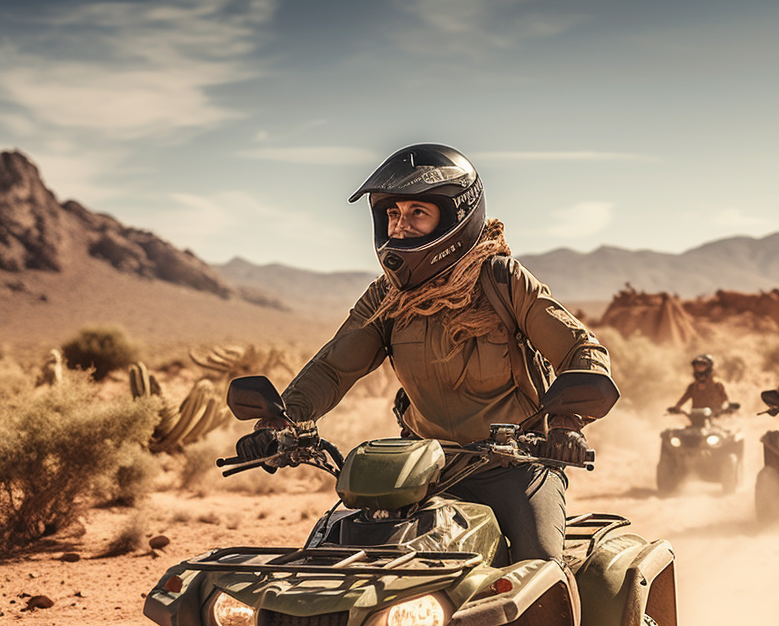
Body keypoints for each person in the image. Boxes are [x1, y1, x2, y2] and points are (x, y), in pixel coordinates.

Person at [236, 143, 615, 562]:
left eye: (418, 212)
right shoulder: (387, 298)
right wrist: (280, 421)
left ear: (455, 216)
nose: (401, 225)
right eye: (393, 214)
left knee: (539, 567)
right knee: (336, 556)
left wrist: (565, 424)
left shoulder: (501, 280)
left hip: (515, 467)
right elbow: (333, 367)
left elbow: (581, 350)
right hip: (419, 470)